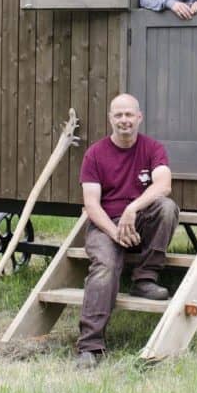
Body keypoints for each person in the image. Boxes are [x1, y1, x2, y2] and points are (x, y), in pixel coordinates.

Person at [75, 93, 179, 368]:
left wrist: (133, 209)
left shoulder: (152, 148)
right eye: (118, 115)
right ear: (110, 118)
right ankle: (90, 347)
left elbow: (163, 185)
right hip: (105, 225)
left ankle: (145, 280)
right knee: (105, 268)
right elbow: (91, 204)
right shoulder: (95, 154)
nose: (124, 120)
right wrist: (114, 231)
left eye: (129, 114)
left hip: (139, 221)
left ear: (139, 117)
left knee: (167, 208)